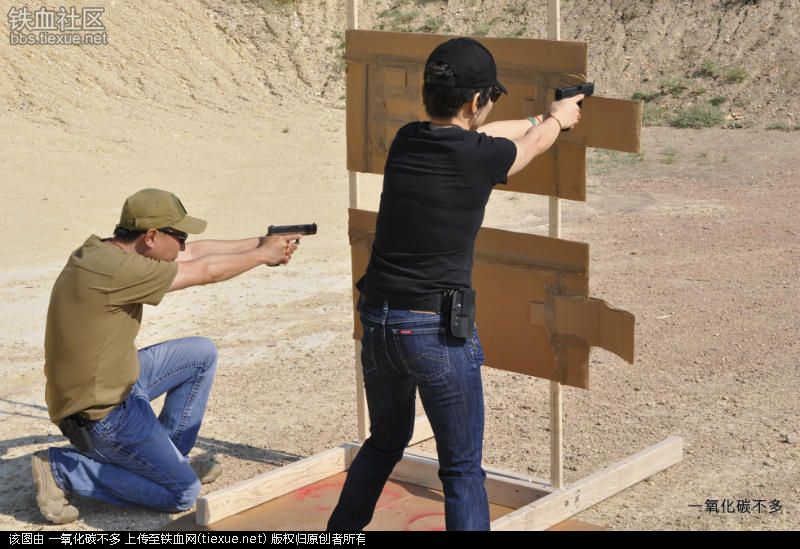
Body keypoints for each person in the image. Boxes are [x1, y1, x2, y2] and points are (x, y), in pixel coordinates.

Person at [327, 37, 583, 531]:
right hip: (434, 331)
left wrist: (537, 118)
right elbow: (525, 147)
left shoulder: (407, 139)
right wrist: (556, 121)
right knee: (462, 469)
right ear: (475, 102)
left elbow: (499, 136)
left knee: (383, 443)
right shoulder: (481, 157)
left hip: (379, 320)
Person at [33, 188, 302, 524]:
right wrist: (263, 256)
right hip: (100, 414)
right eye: (179, 236)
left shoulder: (101, 251)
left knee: (200, 353)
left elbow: (197, 253)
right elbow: (205, 271)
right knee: (182, 493)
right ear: (151, 236)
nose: (184, 244)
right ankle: (65, 469)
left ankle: (169, 457)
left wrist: (261, 243)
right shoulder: (119, 271)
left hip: (115, 382)